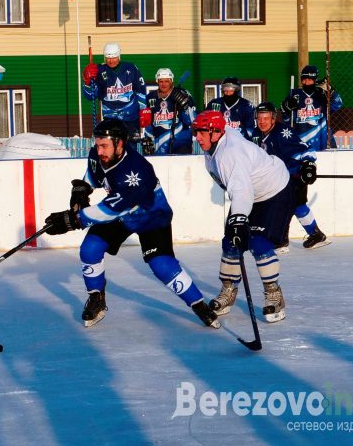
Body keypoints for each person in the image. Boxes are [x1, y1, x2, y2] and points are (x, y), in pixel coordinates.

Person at [42, 119, 220, 329]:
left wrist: (72, 220)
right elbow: (93, 176)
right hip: (121, 215)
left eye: (104, 146)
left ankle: (199, 305)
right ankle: (97, 299)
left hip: (151, 216)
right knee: (90, 249)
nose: (99, 151)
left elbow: (111, 209)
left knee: (161, 266)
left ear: (120, 144)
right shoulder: (98, 154)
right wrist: (81, 190)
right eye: (97, 145)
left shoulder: (137, 171)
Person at [192, 110, 293, 323]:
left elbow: (241, 190)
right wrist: (237, 223)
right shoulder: (216, 141)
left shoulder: (230, 154)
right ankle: (229, 290)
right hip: (251, 192)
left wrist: (238, 219)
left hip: (274, 190)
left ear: (216, 133)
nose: (197, 137)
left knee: (258, 242)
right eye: (196, 132)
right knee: (230, 242)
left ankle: (274, 293)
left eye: (201, 132)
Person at [252, 102, 329, 251]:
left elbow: (304, 148)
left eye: (266, 118)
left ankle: (280, 240)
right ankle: (316, 235)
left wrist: (309, 165)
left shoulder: (283, 133)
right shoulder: (256, 133)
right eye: (259, 118)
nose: (262, 122)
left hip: (294, 175)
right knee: (298, 206)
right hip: (277, 178)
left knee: (284, 206)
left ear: (273, 119)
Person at [82, 42, 147, 137]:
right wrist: (87, 82)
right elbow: (90, 96)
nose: (111, 61)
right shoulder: (98, 71)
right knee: (111, 146)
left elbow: (141, 90)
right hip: (110, 117)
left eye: (114, 57)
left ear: (119, 55)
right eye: (108, 58)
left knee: (131, 145)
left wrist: (144, 110)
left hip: (131, 117)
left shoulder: (131, 68)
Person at [281, 65, 343, 151]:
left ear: (315, 80)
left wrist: (331, 90)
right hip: (301, 141)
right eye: (304, 80)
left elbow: (338, 104)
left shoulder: (322, 94)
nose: (306, 83)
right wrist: (286, 108)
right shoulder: (295, 95)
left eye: (309, 80)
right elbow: (287, 119)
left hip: (322, 140)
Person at [143, 68, 196, 155]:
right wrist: (148, 138)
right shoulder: (150, 97)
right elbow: (148, 122)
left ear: (171, 81)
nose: (164, 84)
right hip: (159, 144)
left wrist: (185, 107)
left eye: (167, 81)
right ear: (157, 81)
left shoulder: (184, 94)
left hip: (181, 143)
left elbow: (192, 120)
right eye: (161, 81)